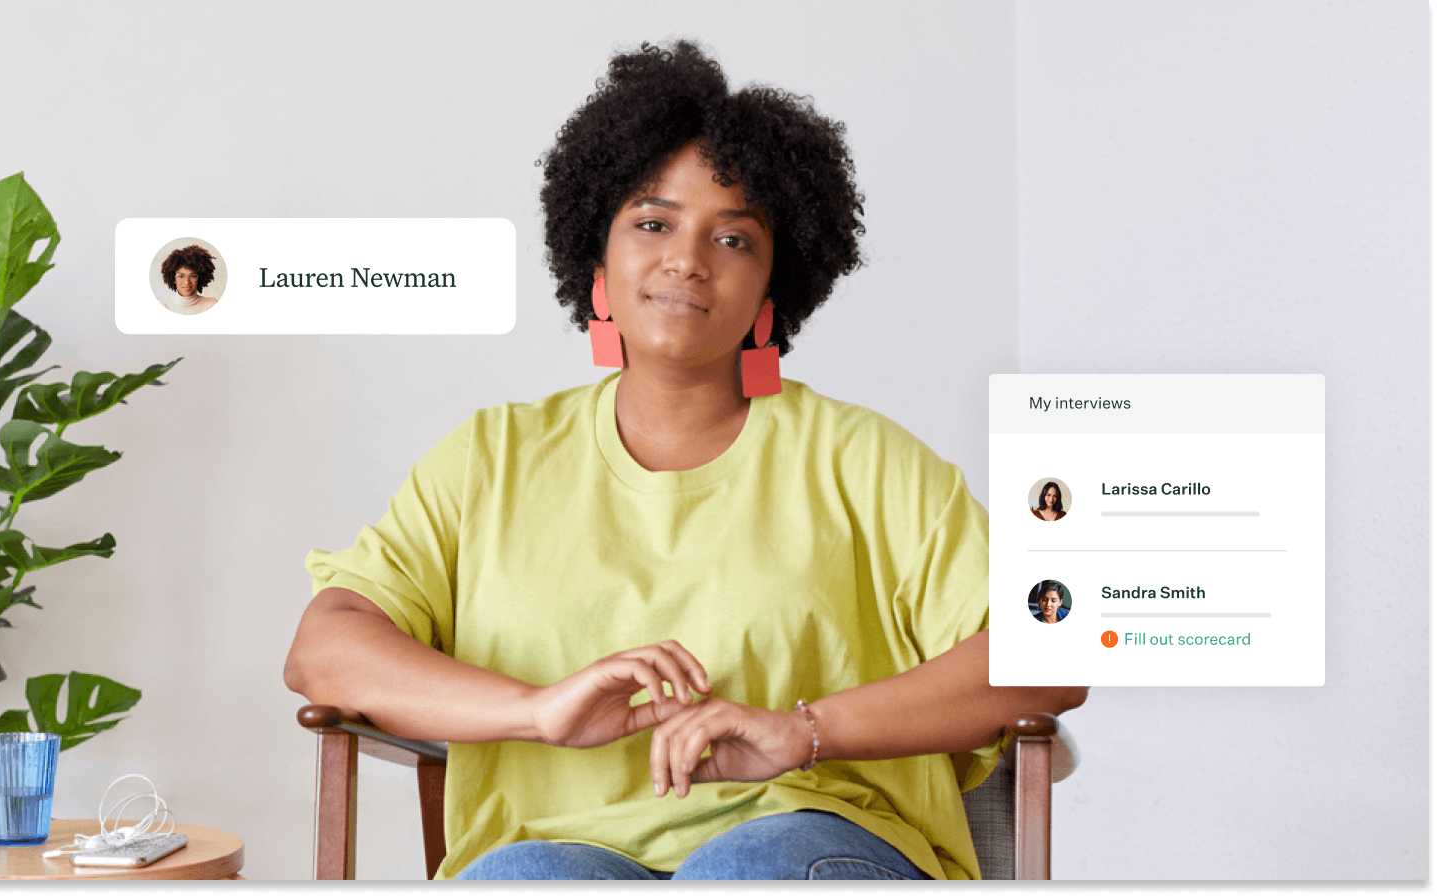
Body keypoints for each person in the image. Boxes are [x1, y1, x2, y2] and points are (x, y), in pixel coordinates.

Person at [285, 41, 1086, 881]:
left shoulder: (863, 462)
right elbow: (326, 649)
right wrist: (537, 711)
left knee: (753, 865)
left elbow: (1052, 647)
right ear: (598, 266)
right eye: (653, 222)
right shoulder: (489, 462)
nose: (687, 259)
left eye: (734, 238)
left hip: (810, 840)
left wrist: (805, 731)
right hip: (552, 855)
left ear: (771, 295)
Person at [157, 244, 219, 314]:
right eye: (181, 276)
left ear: (199, 278)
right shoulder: (163, 305)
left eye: (192, 276)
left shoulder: (211, 304)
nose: (187, 282)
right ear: (173, 279)